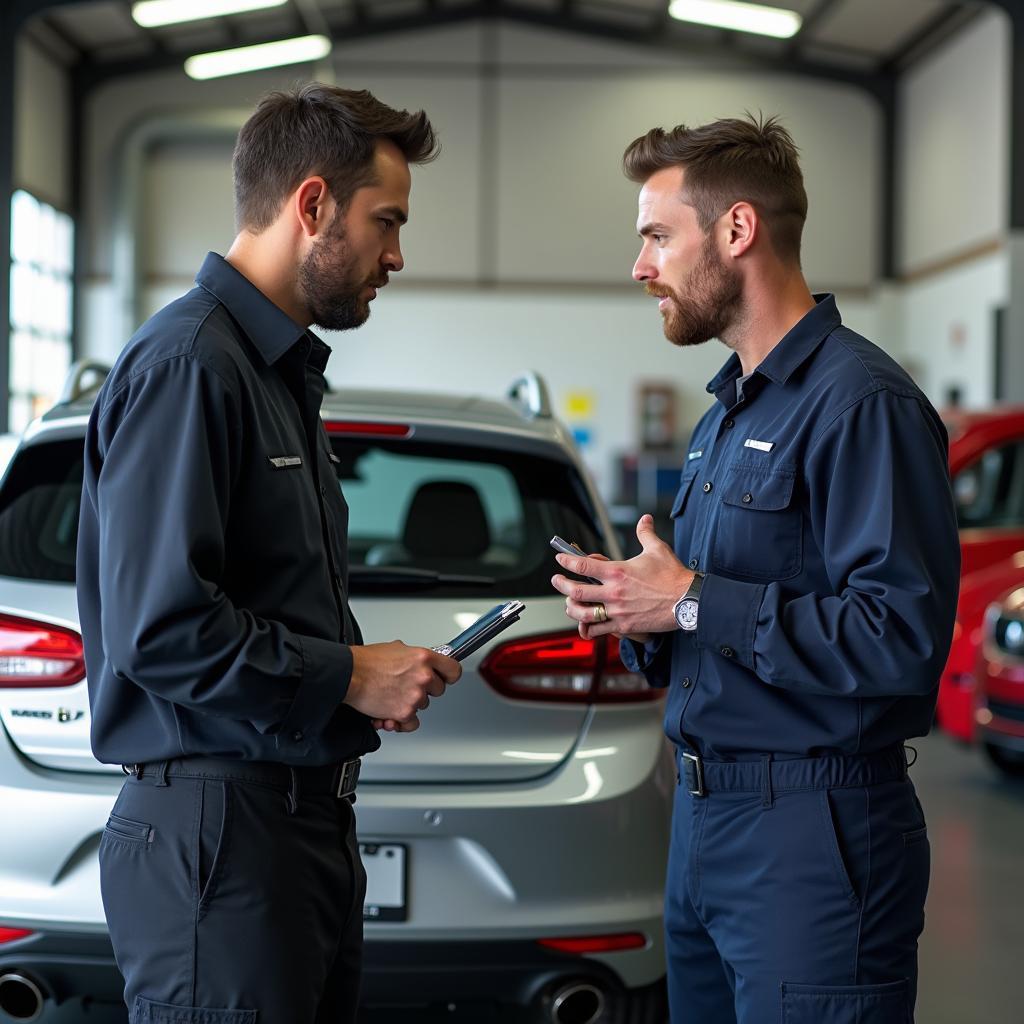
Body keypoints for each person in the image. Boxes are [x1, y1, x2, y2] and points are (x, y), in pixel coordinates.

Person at [551, 115, 959, 1024]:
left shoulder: (863, 406)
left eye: (658, 236)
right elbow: (697, 620)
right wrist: (634, 612)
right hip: (701, 823)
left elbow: (900, 640)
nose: (640, 266)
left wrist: (692, 601)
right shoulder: (725, 418)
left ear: (736, 232)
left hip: (814, 833)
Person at [76, 84, 462, 1024]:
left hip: (291, 831)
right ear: (314, 205)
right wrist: (348, 676)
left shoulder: (273, 375)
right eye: (387, 221)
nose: (397, 255)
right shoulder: (190, 368)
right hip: (220, 840)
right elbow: (161, 628)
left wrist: (358, 671)